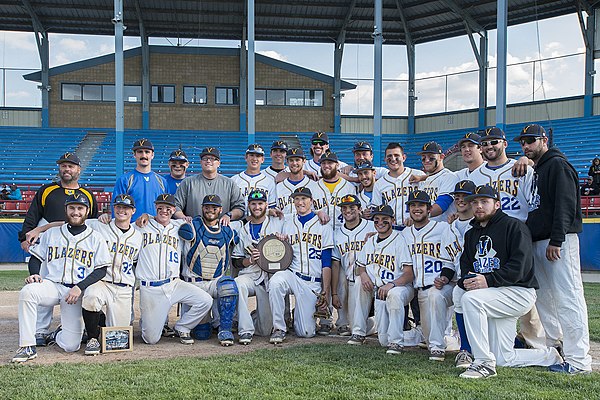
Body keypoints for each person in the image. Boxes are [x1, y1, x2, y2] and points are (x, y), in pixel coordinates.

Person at [456, 185, 562, 379]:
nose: (478, 206)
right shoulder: (471, 233)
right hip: (493, 294)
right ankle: (550, 356)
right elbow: (465, 265)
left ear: (497, 204)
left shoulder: (514, 226)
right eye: (475, 202)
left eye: (484, 202)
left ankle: (483, 363)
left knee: (471, 300)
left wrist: (487, 280)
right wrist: (467, 281)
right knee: (504, 357)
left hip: (518, 292)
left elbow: (519, 267)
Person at [24, 194, 143, 356]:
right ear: (113, 208)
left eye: (126, 208)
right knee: (91, 297)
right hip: (100, 281)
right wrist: (39, 229)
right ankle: (92, 337)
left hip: (122, 286)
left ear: (133, 211)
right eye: (119, 207)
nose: (122, 210)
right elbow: (69, 222)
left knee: (118, 343)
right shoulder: (99, 224)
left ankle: (92, 326)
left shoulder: (139, 234)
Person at [516, 124, 593, 374]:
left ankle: (580, 360)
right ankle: (556, 350)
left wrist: (557, 240)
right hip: (540, 240)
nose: (526, 146)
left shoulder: (558, 165)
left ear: (543, 140)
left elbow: (567, 205)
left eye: (530, 141)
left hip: (558, 241)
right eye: (523, 142)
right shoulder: (538, 169)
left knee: (569, 298)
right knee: (546, 301)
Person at [470, 126, 546, 349]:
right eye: (485, 143)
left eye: (494, 142)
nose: (489, 146)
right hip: (489, 232)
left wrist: (526, 160)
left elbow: (532, 204)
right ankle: (503, 338)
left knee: (523, 286)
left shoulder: (521, 168)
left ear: (504, 144)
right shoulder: (476, 174)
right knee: (494, 287)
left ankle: (535, 339)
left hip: (517, 231)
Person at [11, 194, 112, 363]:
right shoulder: (52, 233)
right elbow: (36, 257)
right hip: (52, 285)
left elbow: (101, 269)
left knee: (71, 346)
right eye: (72, 208)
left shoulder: (96, 237)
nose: (76, 212)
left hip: (75, 291)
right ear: (65, 209)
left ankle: (58, 333)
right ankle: (27, 346)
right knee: (28, 292)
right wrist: (34, 273)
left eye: (80, 208)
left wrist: (80, 286)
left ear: (87, 211)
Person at [18, 152, 99, 347]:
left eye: (71, 166)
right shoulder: (47, 190)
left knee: (75, 289)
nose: (66, 169)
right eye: (63, 166)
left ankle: (70, 329)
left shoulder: (87, 194)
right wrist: (25, 236)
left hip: (75, 247)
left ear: (78, 169)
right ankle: (40, 331)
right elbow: (33, 214)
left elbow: (92, 222)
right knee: (43, 284)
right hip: (51, 246)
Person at [136, 194, 213, 345]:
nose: (164, 211)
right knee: (151, 339)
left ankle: (183, 326)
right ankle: (147, 320)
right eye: (160, 207)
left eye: (167, 208)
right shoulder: (142, 226)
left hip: (174, 284)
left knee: (205, 300)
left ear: (173, 210)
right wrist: (104, 218)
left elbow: (203, 222)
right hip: (150, 288)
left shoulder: (180, 226)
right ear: (155, 207)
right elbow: (121, 226)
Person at [268, 187, 334, 343]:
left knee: (305, 332)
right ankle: (279, 327)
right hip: (293, 275)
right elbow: (261, 215)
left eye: (304, 199)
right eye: (297, 199)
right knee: (276, 281)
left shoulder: (323, 224)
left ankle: (299, 312)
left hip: (313, 282)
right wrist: (279, 238)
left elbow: (326, 261)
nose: (300, 202)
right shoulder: (287, 220)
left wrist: (325, 291)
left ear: (311, 201)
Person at [401, 190, 458, 361]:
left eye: (421, 205)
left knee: (435, 340)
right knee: (428, 336)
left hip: (444, 286)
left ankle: (439, 347)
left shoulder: (442, 228)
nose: (416, 209)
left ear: (429, 209)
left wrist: (446, 277)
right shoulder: (405, 233)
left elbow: (455, 253)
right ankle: (451, 338)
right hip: (421, 289)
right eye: (413, 205)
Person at [178, 194, 240, 346]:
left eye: (214, 208)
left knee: (228, 285)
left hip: (214, 281)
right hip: (194, 283)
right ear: (202, 208)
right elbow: (164, 222)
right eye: (207, 207)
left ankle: (225, 329)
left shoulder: (228, 231)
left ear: (220, 210)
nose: (210, 210)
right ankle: (204, 322)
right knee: (202, 334)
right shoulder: (191, 226)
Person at [356, 204, 414, 354]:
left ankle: (397, 342)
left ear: (393, 220)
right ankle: (362, 330)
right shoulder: (370, 241)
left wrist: (392, 284)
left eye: (384, 219)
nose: (380, 222)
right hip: (379, 291)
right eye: (376, 220)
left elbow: (409, 273)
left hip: (401, 288)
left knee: (394, 295)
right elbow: (360, 266)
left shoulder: (400, 240)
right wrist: (363, 275)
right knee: (383, 341)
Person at [231, 189, 283, 344]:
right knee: (239, 284)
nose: (257, 207)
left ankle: (256, 316)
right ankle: (245, 330)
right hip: (251, 275)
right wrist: (249, 261)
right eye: (253, 204)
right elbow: (236, 260)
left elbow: (300, 215)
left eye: (260, 203)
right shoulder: (243, 229)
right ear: (249, 205)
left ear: (266, 204)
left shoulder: (278, 223)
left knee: (265, 330)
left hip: (270, 276)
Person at [330, 194, 375, 340]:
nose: (348, 211)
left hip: (367, 279)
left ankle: (376, 323)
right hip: (348, 276)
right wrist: (334, 294)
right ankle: (342, 323)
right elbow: (335, 264)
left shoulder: (371, 226)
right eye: (344, 208)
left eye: (352, 207)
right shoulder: (337, 234)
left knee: (358, 325)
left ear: (360, 209)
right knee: (341, 275)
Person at [174, 147, 245, 225]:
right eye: (205, 158)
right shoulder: (188, 182)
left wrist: (229, 215)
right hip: (194, 229)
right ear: (201, 162)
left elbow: (240, 208)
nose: (208, 161)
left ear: (218, 163)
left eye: (212, 158)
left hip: (221, 231)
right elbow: (175, 206)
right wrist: (183, 218)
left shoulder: (230, 183)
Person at [448, 180, 477, 368]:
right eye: (457, 197)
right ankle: (464, 349)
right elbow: (447, 259)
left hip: (479, 278)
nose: (460, 200)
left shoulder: (481, 224)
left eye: (465, 196)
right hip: (457, 278)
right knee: (458, 297)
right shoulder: (449, 226)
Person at [113, 139, 167, 222]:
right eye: (140, 152)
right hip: (132, 227)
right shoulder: (125, 180)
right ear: (134, 155)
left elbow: (167, 207)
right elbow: (116, 206)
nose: (143, 155)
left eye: (147, 152)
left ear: (152, 155)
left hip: (156, 228)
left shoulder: (162, 181)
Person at [372, 143, 425, 227]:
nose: (393, 159)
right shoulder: (379, 184)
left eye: (396, 155)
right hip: (392, 230)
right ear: (385, 159)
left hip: (416, 227)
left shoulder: (418, 175)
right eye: (389, 156)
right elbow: (377, 209)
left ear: (404, 158)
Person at [311, 151, 356, 230]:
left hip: (343, 233)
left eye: (330, 163)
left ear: (337, 165)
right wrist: (317, 212)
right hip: (320, 233)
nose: (326, 166)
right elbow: (306, 210)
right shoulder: (313, 187)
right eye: (323, 163)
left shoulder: (349, 187)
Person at [416, 141, 458, 223]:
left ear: (442, 157)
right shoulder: (425, 181)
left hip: (443, 228)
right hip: (427, 228)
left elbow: (442, 205)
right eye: (424, 157)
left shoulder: (449, 177)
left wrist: (418, 216)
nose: (427, 160)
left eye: (431, 157)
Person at [231, 144, 277, 213]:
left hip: (262, 222)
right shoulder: (234, 180)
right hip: (238, 221)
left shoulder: (269, 182)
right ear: (246, 157)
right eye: (251, 155)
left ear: (262, 159)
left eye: (258, 156)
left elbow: (271, 207)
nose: (254, 159)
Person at [274, 147, 318, 217]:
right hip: (284, 226)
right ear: (287, 162)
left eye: (297, 160)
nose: (294, 163)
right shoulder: (279, 186)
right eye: (291, 160)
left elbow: (317, 209)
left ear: (304, 161)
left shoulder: (313, 185)